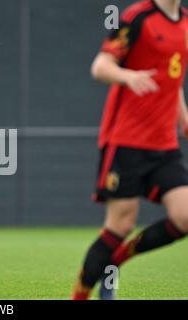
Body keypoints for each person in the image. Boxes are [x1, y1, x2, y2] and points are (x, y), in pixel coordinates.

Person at [72, 0, 188, 300]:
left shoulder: (185, 22)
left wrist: (184, 121)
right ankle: (80, 296)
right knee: (120, 226)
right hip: (127, 142)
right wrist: (129, 76)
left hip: (164, 145)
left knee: (185, 216)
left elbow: (171, 82)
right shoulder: (137, 18)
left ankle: (117, 261)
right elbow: (100, 66)